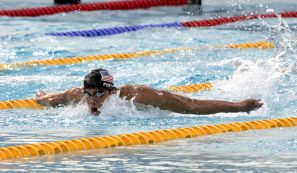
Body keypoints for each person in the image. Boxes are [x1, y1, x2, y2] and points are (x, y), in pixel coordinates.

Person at [36, 68, 263, 116]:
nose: (92, 101)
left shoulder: (136, 96)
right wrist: (42, 99)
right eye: (89, 94)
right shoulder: (80, 95)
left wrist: (240, 106)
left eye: (98, 94)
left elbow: (191, 105)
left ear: (111, 92)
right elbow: (58, 98)